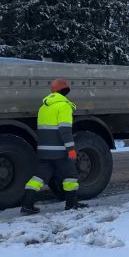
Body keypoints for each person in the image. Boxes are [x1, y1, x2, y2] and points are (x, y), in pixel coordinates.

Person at [20, 78, 87, 215]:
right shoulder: (63, 106)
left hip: (44, 151)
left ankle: (26, 206)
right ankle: (71, 205)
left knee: (38, 178)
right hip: (59, 151)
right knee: (70, 176)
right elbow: (65, 130)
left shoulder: (44, 107)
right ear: (65, 91)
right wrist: (71, 149)